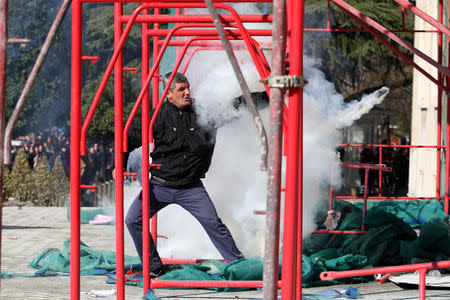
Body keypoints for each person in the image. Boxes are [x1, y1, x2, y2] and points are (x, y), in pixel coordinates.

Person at [124, 72, 268, 277]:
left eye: (188, 87)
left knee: (214, 224)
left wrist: (270, 95)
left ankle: (240, 266)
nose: (187, 92)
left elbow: (238, 105)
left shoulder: (204, 112)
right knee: (132, 219)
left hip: (191, 187)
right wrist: (119, 165)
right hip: (159, 185)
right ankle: (154, 268)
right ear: (169, 95)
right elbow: (127, 138)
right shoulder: (156, 117)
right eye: (181, 89)